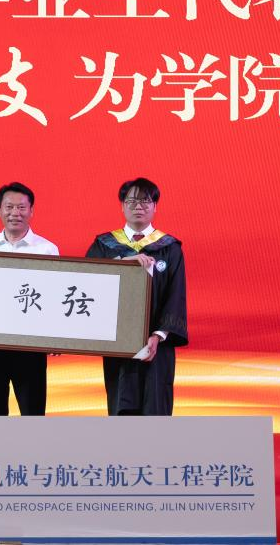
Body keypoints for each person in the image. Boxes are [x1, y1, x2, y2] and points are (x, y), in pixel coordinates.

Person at [85, 177, 187, 415]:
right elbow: (88, 282)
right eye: (131, 201)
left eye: (145, 201)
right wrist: (123, 262)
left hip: (157, 346)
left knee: (155, 407)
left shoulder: (169, 247)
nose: (138, 206)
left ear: (155, 206)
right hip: (117, 342)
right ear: (122, 206)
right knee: (121, 405)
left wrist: (158, 335)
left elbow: (176, 295)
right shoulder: (104, 245)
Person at [0, 181, 59, 415]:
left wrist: (57, 335)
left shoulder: (47, 249)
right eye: (9, 207)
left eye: (21, 207)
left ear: (31, 211)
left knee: (32, 411)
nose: (15, 213)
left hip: (30, 344)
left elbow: (54, 297)